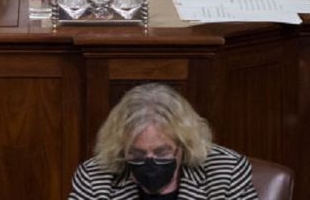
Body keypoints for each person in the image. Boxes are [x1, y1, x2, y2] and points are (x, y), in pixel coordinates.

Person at [69, 83, 257, 199]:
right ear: (121, 148)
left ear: (184, 145)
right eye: (137, 154)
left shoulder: (226, 172)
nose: (150, 163)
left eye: (162, 152)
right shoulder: (94, 177)